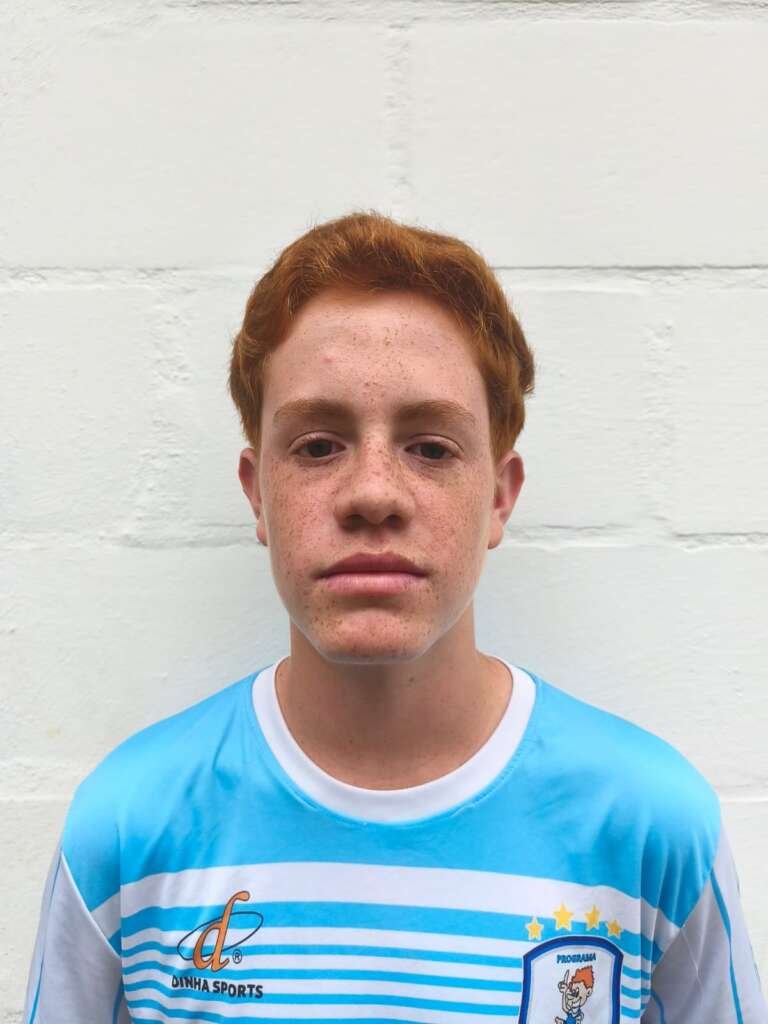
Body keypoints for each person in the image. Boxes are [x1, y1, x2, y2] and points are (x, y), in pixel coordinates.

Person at [23, 210, 766, 1023]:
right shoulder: (129, 827)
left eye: (431, 447)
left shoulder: (651, 828)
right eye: (317, 445)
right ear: (257, 493)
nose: (373, 493)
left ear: (499, 496)